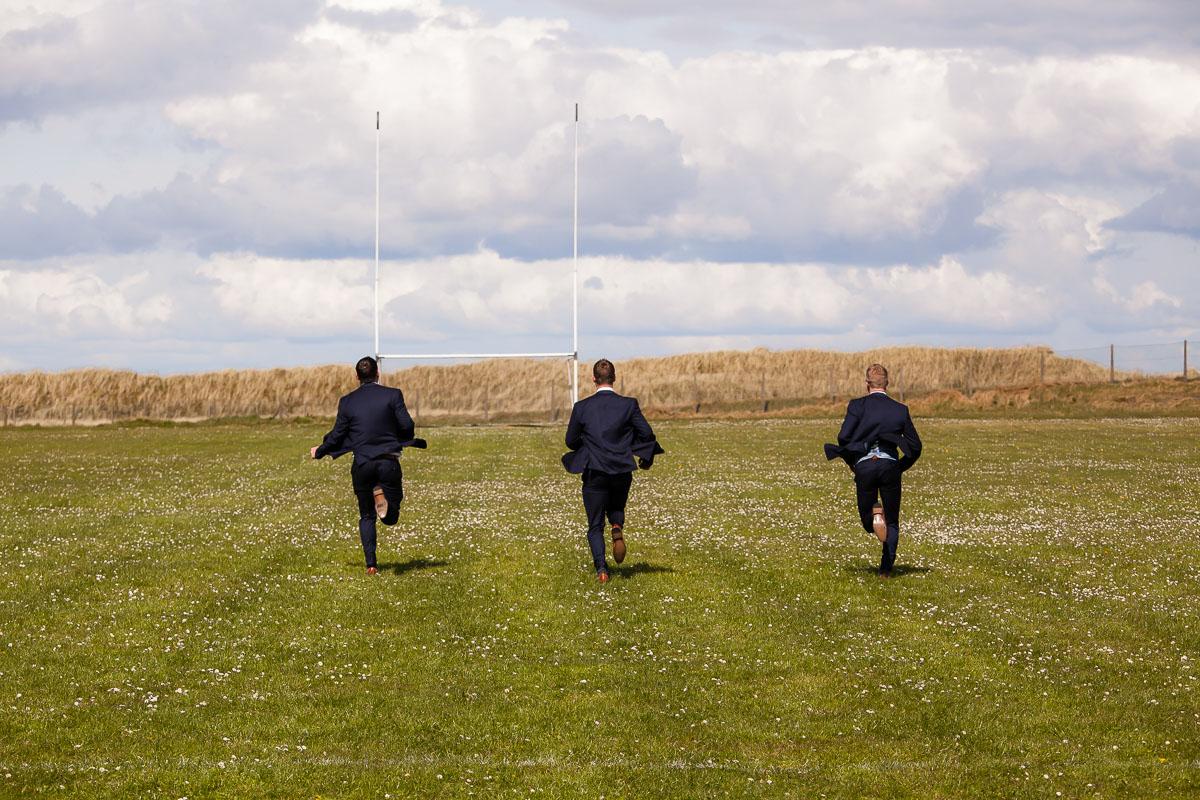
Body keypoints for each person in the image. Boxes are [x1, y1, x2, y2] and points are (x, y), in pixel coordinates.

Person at [310, 356, 425, 575]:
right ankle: (385, 507)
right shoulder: (393, 395)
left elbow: (337, 436)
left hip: (362, 465)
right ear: (377, 374)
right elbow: (407, 426)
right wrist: (397, 435)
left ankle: (371, 565)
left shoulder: (347, 401)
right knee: (391, 517)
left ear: (356, 377)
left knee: (366, 515)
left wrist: (321, 450)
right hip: (387, 461)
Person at [561, 358, 663, 583]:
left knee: (595, 524)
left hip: (594, 471)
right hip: (621, 470)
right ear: (614, 378)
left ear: (593, 379)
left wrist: (587, 447)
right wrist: (645, 456)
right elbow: (647, 434)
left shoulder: (582, 407)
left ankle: (602, 569)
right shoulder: (629, 405)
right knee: (616, 506)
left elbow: (570, 440)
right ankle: (617, 527)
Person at [824, 363, 922, 578]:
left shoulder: (857, 406)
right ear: (887, 384)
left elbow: (843, 437)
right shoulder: (900, 409)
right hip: (889, 467)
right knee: (893, 521)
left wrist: (852, 460)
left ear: (867, 384)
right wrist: (900, 466)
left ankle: (875, 516)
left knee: (868, 522)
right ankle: (885, 571)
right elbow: (916, 446)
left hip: (865, 467)